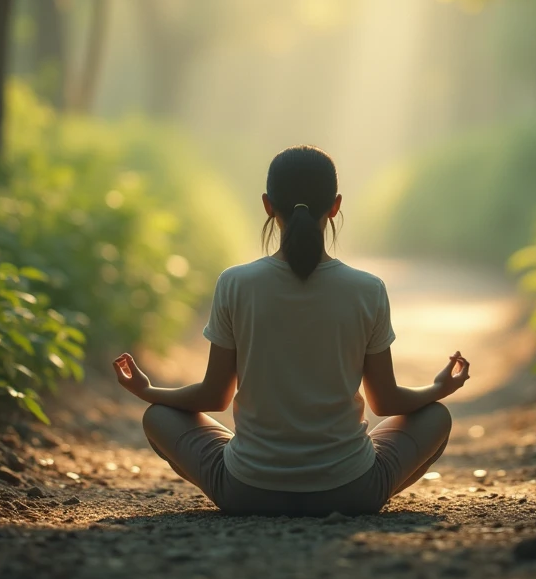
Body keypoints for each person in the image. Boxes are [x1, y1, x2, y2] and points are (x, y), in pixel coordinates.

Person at [113, 145, 470, 516]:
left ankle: (259, 475)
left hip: (247, 491)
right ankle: (352, 491)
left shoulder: (236, 283)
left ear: (268, 205)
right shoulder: (367, 289)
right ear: (335, 205)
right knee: (436, 416)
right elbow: (387, 402)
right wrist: (439, 388)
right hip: (352, 490)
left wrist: (149, 390)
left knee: (157, 415)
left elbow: (214, 396)